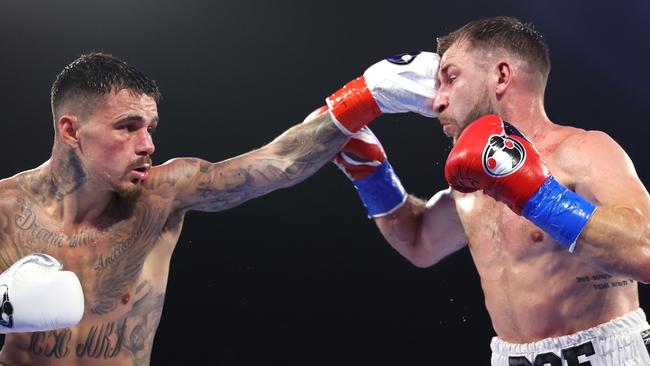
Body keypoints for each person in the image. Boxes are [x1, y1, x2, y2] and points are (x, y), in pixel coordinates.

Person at [0, 51, 438, 365]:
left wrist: (370, 94)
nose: (148, 145)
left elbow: (278, 162)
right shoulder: (5, 210)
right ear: (71, 131)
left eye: (150, 128)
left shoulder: (161, 195)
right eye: (128, 127)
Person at [335, 16, 650, 365]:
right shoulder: (471, 182)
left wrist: (538, 196)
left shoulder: (583, 150)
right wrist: (372, 175)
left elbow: (646, 252)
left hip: (606, 355)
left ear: (501, 76)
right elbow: (419, 244)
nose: (436, 101)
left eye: (450, 79)